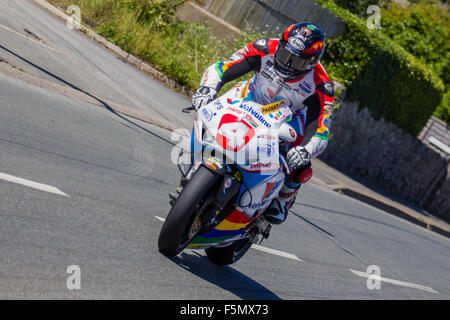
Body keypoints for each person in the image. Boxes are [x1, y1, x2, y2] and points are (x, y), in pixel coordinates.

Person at [191, 22, 335, 224]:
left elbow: (321, 129)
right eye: (285, 54)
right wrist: (207, 88)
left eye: (297, 62)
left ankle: (284, 199)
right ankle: (198, 157)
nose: (288, 64)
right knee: (207, 112)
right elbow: (222, 67)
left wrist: (306, 150)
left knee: (299, 161)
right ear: (281, 44)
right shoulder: (263, 48)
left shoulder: (322, 85)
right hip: (250, 98)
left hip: (288, 116)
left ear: (312, 63)